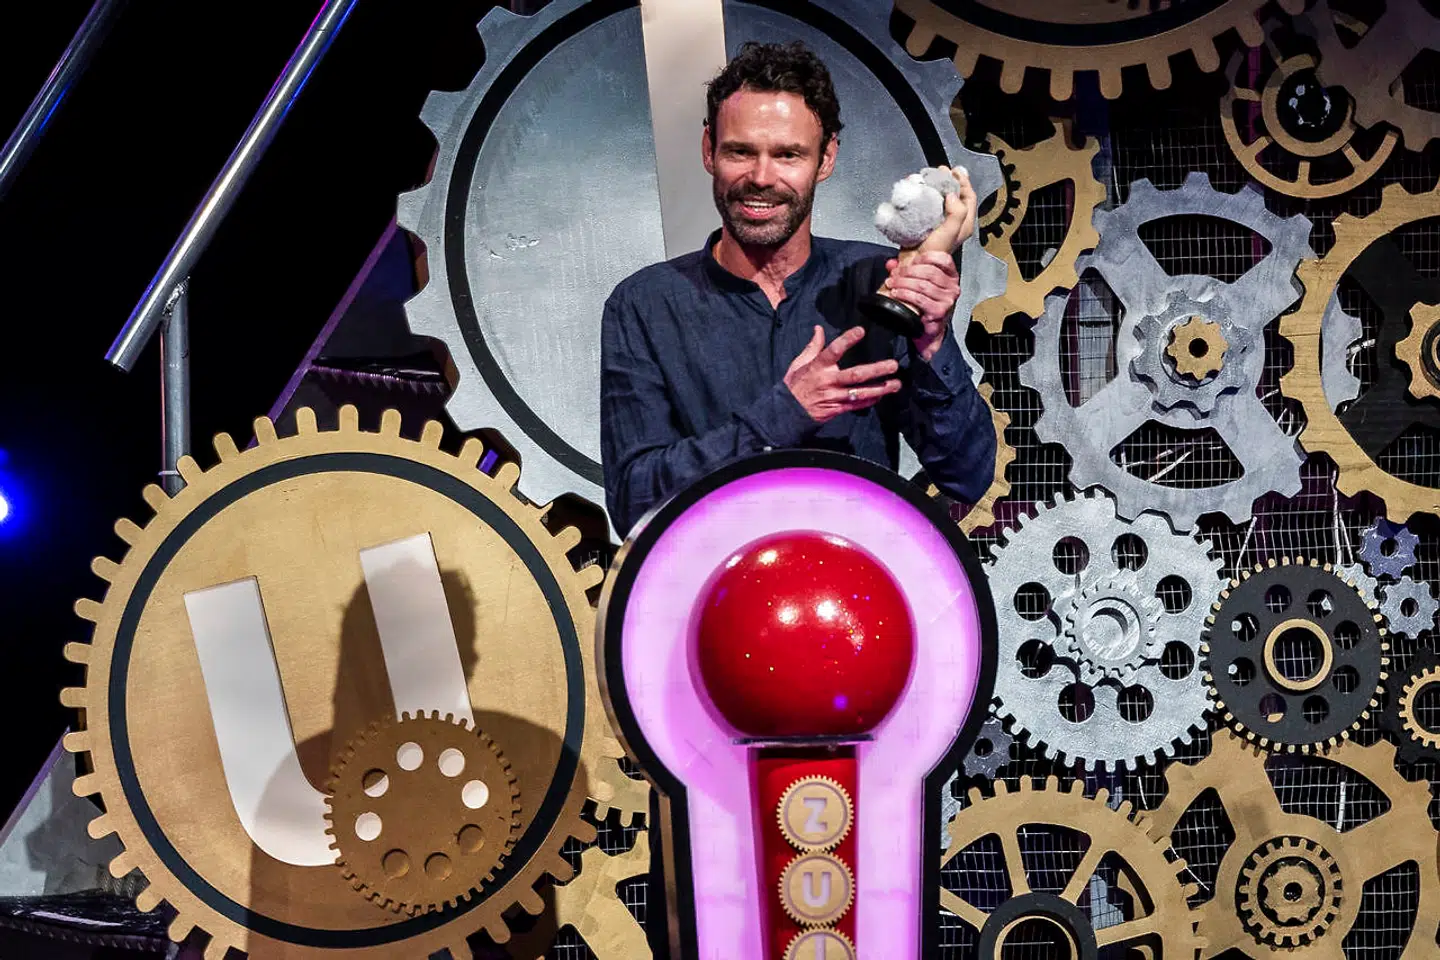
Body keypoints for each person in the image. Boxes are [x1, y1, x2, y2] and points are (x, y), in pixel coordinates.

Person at [600, 40, 996, 536]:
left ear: (826, 158)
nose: (761, 177)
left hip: (855, 577)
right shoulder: (643, 304)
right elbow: (633, 504)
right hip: (715, 580)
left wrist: (932, 342)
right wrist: (782, 415)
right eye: (740, 151)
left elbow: (967, 476)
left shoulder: (881, 282)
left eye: (788, 154)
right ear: (708, 151)